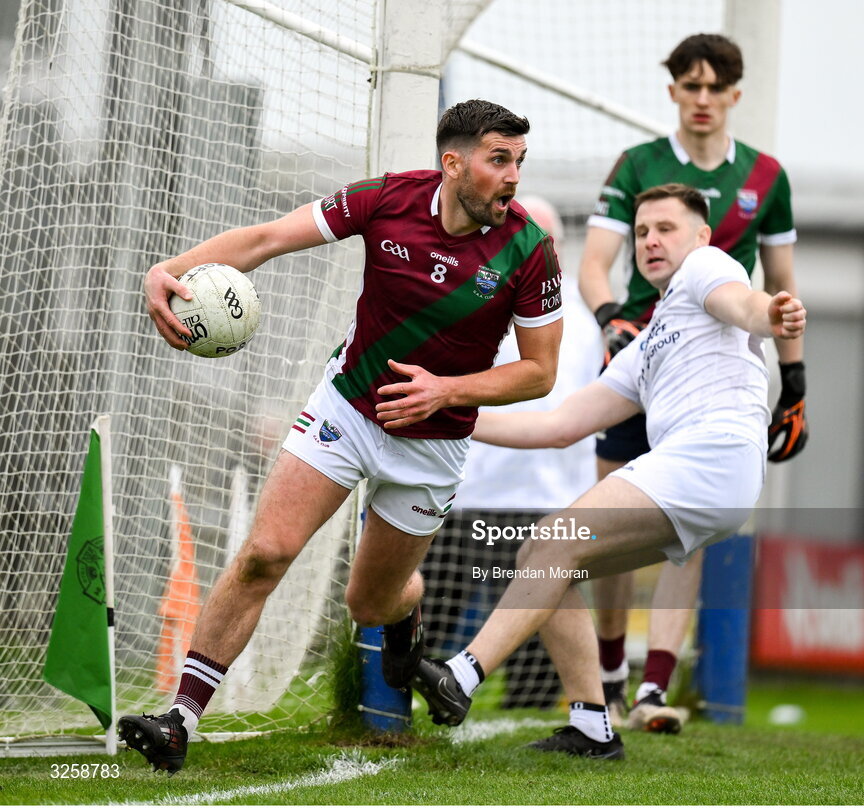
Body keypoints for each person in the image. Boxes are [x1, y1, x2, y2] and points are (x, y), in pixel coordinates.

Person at [117, 99, 564, 774]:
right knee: (266, 553)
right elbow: (267, 238)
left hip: (432, 444)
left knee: (371, 601)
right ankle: (179, 719)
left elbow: (540, 373)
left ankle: (406, 615)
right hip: (347, 409)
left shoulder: (531, 250)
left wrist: (447, 390)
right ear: (454, 163)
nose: (512, 177)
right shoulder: (385, 199)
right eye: (499, 160)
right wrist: (168, 269)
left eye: (518, 162)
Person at [412, 183, 806, 759]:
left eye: (664, 229)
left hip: (712, 456)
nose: (649, 240)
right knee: (545, 556)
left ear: (699, 236)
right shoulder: (644, 346)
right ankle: (592, 726)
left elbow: (740, 303)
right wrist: (445, 407)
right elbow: (558, 425)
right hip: (709, 479)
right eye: (641, 232)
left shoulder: (706, 265)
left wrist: (768, 313)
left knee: (551, 539)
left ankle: (462, 676)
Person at [576, 33, 804, 730]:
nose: (702, 99)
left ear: (734, 95)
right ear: (672, 91)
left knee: (691, 528)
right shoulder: (638, 165)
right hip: (637, 358)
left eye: (715, 87)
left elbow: (780, 289)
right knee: (607, 522)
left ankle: (652, 690)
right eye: (689, 85)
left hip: (713, 367)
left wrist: (794, 383)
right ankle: (610, 674)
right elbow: (593, 265)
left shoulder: (766, 177)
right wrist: (614, 319)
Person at [419, 196, 601, 709]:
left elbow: (552, 414)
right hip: (465, 497)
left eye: (536, 241)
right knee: (428, 618)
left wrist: (453, 410)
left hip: (544, 503)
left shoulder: (576, 326)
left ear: (556, 252)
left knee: (535, 642)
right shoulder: (474, 301)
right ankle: (399, 705)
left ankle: (541, 718)